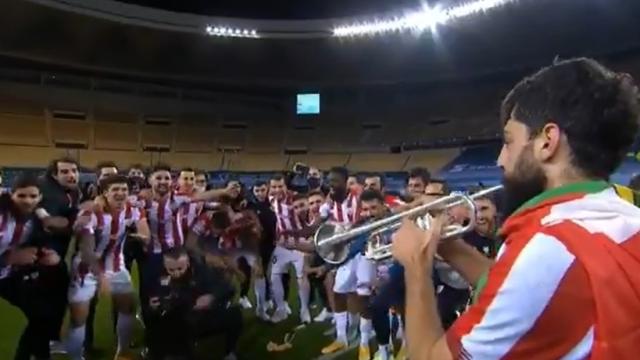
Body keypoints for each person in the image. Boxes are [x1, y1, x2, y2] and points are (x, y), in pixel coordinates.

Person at [392, 58, 640, 359]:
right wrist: (447, 244)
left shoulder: (549, 245)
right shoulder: (622, 217)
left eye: (508, 142)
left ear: (547, 142)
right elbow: (517, 291)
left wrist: (416, 266)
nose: (500, 160)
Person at [65, 175, 150, 360]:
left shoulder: (133, 210)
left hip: (116, 264)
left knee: (128, 306)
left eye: (124, 190)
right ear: (105, 193)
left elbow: (145, 232)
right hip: (86, 269)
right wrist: (101, 276)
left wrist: (143, 237)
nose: (121, 193)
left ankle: (122, 352)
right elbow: (86, 250)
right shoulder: (92, 213)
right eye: (115, 190)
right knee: (79, 317)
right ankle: (75, 356)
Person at [0, 175, 68, 360]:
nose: (27, 201)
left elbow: (54, 228)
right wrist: (7, 259)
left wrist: (44, 253)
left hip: (8, 276)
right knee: (41, 317)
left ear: (39, 198)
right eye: (21, 196)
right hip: (5, 270)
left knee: (42, 316)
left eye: (32, 196)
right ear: (11, 195)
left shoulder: (35, 215)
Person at [146, 247, 240, 360]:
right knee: (155, 321)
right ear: (164, 265)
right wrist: (153, 307)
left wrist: (211, 297)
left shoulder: (202, 271)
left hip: (203, 318)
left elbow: (228, 288)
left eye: (180, 268)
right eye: (171, 269)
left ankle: (230, 352)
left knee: (234, 314)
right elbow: (155, 302)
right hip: (176, 322)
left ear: (188, 263)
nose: (176, 273)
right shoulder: (158, 275)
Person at [268, 174, 310, 323]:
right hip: (282, 244)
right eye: (274, 187)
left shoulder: (295, 199)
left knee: (302, 278)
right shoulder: (271, 199)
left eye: (280, 186)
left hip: (300, 244)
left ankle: (304, 310)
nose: (277, 189)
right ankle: (281, 309)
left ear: (286, 187)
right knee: (274, 277)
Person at [247, 181, 277, 320]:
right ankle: (260, 307)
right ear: (253, 191)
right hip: (254, 245)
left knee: (271, 274)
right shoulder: (249, 206)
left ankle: (268, 299)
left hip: (272, 245)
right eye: (257, 190)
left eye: (262, 190)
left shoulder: (274, 204)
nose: (260, 193)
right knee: (259, 274)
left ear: (267, 190)